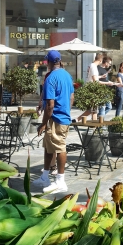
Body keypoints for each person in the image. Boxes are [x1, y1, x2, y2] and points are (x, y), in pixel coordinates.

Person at [33, 50, 75, 194]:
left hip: (56, 118)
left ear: (49, 62)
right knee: (49, 146)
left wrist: (43, 123)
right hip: (62, 116)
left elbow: (50, 105)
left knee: (60, 148)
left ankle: (60, 181)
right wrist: (66, 111)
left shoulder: (50, 78)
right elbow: (71, 98)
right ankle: (45, 176)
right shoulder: (67, 76)